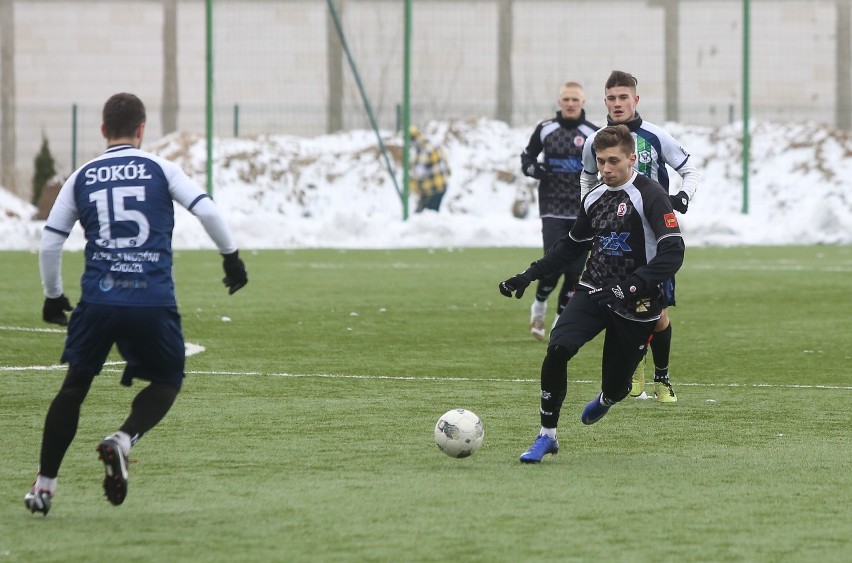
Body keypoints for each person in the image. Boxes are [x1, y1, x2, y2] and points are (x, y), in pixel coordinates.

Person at [24, 93, 248, 516]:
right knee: (167, 380)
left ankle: (45, 488)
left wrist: (53, 296)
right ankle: (123, 439)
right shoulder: (161, 169)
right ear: (142, 129)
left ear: (104, 130)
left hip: (98, 302)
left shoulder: (82, 175)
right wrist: (231, 258)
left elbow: (51, 240)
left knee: (73, 389)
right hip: (151, 299)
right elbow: (209, 212)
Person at [499, 124, 684, 463]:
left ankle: (609, 397)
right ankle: (547, 436)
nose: (606, 169)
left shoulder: (652, 195)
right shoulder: (595, 196)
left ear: (632, 159)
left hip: (637, 303)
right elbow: (571, 246)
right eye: (600, 162)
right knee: (557, 349)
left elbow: (674, 252)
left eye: (613, 161)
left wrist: (628, 286)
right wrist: (528, 275)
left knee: (616, 386)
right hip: (594, 290)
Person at [580, 70, 701, 403]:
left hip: (654, 239)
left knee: (659, 316)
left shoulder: (656, 136)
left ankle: (662, 378)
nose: (618, 104)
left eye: (624, 97)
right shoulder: (596, 141)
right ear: (604, 101)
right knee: (619, 304)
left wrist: (683, 196)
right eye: (611, 98)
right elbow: (587, 178)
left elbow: (689, 169)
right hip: (617, 239)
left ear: (635, 99)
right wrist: (588, 214)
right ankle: (635, 371)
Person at [520, 82, 598, 341]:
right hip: (552, 208)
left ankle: (559, 321)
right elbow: (527, 159)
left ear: (583, 103)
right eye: (566, 98)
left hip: (582, 210)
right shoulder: (545, 129)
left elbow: (607, 163)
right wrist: (536, 171)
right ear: (559, 102)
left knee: (575, 272)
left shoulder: (593, 133)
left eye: (575, 99)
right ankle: (539, 305)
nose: (570, 103)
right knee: (552, 264)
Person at [409, 125, 451, 212]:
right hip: (440, 185)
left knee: (427, 216)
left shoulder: (424, 150)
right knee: (428, 215)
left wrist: (411, 186)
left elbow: (419, 173)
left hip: (434, 187)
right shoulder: (430, 144)